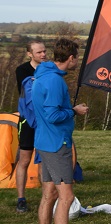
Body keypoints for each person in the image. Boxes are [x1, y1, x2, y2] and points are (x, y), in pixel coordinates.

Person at [31, 38, 89, 224]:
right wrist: (74, 111)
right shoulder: (55, 82)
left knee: (49, 195)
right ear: (71, 58)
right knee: (66, 197)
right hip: (57, 144)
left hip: (44, 143)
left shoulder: (43, 73)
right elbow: (53, 115)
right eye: (77, 57)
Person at [14, 39, 47, 213]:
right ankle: (21, 198)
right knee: (24, 160)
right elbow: (30, 90)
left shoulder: (48, 68)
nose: (43, 55)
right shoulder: (22, 70)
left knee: (43, 160)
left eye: (44, 51)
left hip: (44, 122)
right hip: (28, 120)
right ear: (30, 54)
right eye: (39, 52)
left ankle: (47, 198)